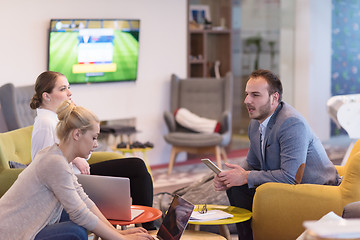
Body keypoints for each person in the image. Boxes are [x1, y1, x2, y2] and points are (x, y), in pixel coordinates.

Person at [213, 69, 340, 240]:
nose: (247, 101)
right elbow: (252, 163)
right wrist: (232, 176)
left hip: (316, 190)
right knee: (236, 187)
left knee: (244, 183)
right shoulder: (256, 123)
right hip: (288, 187)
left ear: (274, 98)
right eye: (247, 94)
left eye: (255, 95)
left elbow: (291, 177)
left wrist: (245, 177)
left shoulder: (291, 123)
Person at [0, 100, 154, 240]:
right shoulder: (54, 162)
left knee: (81, 218)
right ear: (77, 134)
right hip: (11, 233)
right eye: (94, 138)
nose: (96, 144)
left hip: (21, 225)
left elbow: (83, 199)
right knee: (76, 231)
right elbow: (79, 213)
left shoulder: (58, 156)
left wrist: (118, 234)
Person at [30, 71, 155, 230]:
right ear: (46, 96)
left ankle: (145, 225)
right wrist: (75, 158)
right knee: (136, 168)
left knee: (136, 166)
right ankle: (148, 228)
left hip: (78, 175)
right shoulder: (45, 123)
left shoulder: (57, 118)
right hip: (72, 182)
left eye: (68, 87)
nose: (69, 93)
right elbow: (43, 162)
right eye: (62, 89)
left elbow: (78, 149)